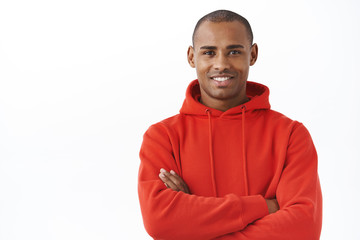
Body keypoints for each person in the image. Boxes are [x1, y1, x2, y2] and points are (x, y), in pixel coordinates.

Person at [138, 9, 322, 240]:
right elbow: (160, 220)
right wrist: (264, 207)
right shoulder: (163, 137)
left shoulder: (291, 135)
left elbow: (302, 229)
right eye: (209, 52)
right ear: (192, 57)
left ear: (252, 54)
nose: (221, 64)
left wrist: (192, 226)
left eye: (234, 51)